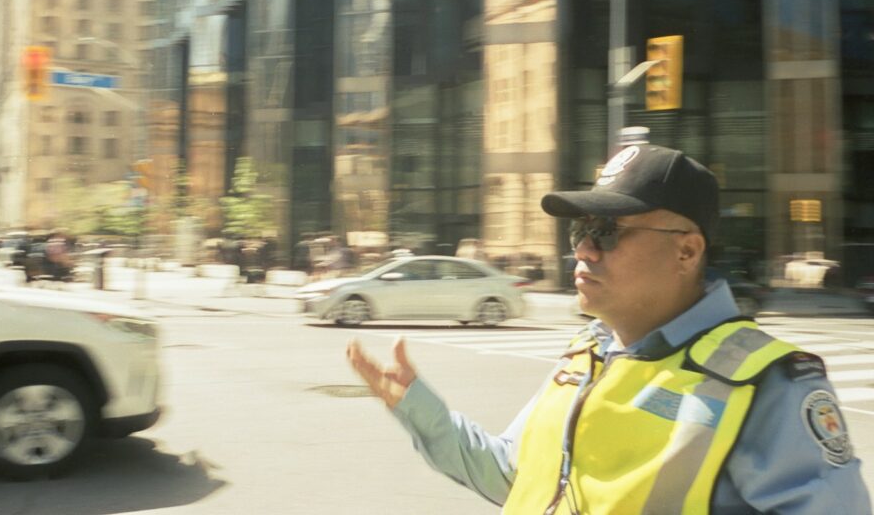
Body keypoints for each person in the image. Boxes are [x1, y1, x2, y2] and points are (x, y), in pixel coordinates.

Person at [348, 144, 871, 513]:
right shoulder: (587, 353)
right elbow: (517, 477)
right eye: (580, 229)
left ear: (686, 250)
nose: (582, 249)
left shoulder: (766, 384)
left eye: (606, 231)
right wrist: (419, 408)